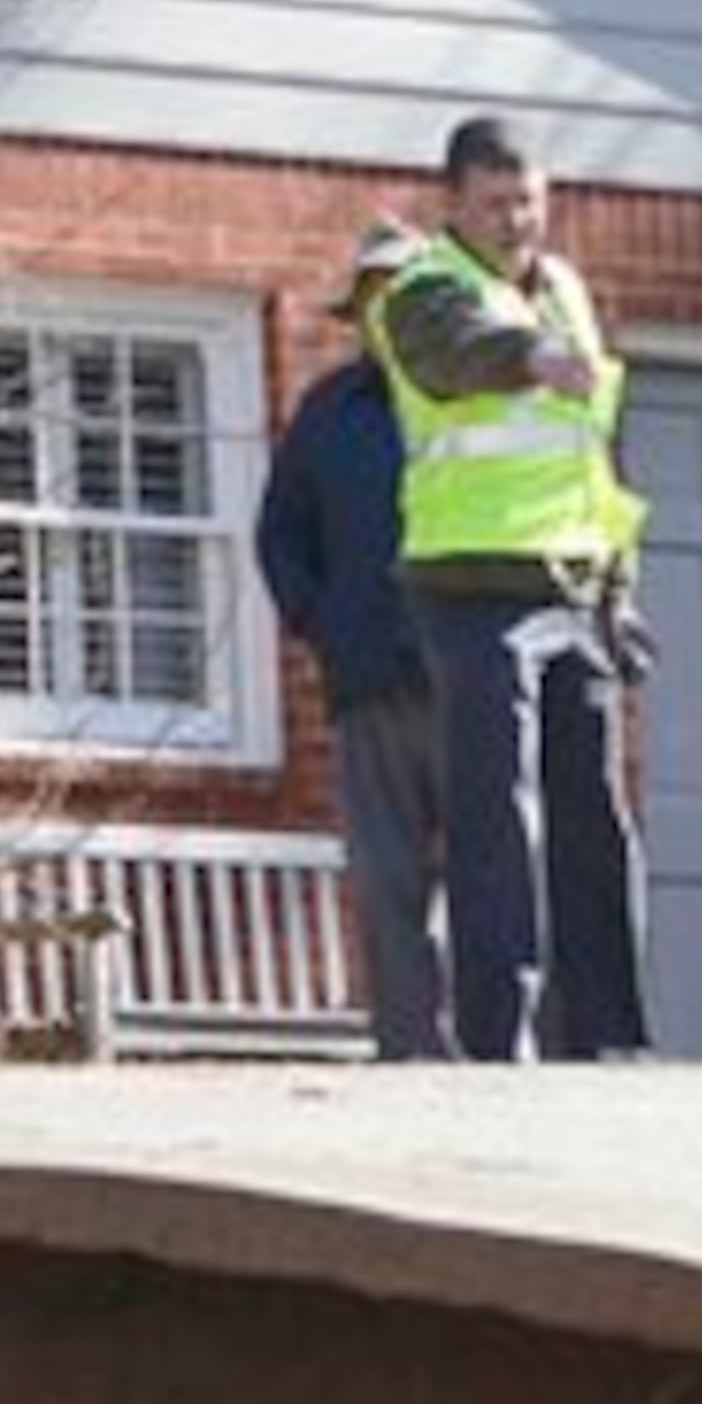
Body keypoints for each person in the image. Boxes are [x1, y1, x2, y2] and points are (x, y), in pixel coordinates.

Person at [365, 113, 655, 1062]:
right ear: (454, 202)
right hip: (473, 582)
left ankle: (612, 1035)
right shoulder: (420, 288)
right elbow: (454, 354)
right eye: (494, 203)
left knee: (593, 817)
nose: (514, 220)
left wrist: (623, 588)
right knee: (498, 814)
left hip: (575, 584)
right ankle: (502, 1038)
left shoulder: (566, 289)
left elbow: (593, 459)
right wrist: (532, 357)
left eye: (528, 200)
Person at [255, 219, 450, 1060]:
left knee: (496, 880)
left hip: (475, 676)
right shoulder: (330, 412)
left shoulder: (479, 393)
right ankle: (410, 1052)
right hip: (370, 680)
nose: (388, 312)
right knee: (386, 882)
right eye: (374, 298)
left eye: (405, 294)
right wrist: (325, 625)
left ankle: (499, 1054)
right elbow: (280, 537)